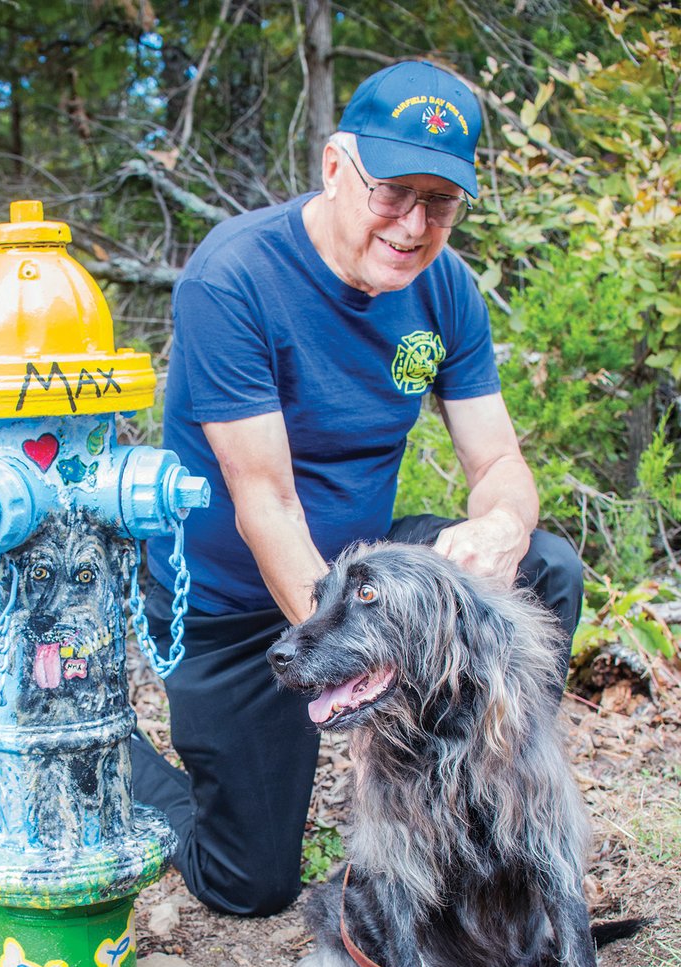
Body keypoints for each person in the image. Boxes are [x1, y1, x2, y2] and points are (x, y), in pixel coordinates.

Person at [131, 59, 583, 917]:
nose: (413, 226)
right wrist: (359, 662)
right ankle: (109, 759)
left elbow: (499, 467)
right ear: (337, 167)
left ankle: (483, 808)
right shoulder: (235, 278)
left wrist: (503, 528)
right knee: (250, 885)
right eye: (393, 192)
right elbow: (266, 504)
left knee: (545, 569)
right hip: (231, 605)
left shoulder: (444, 289)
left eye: (440, 203)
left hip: (362, 575)